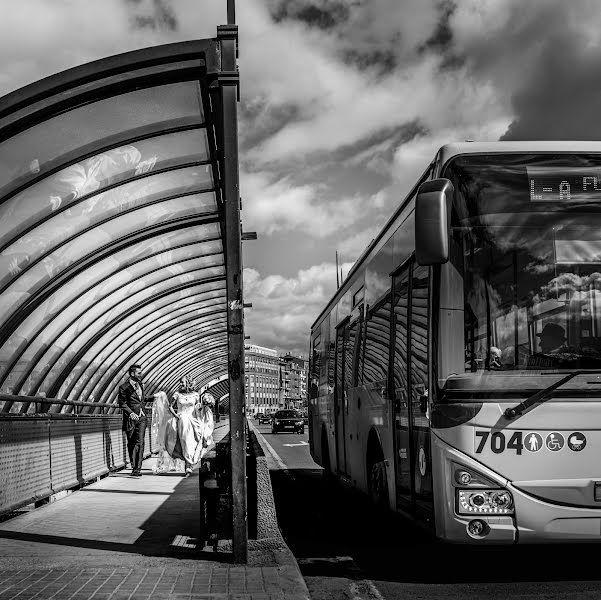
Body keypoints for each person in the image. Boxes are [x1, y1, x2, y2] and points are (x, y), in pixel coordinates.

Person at [162, 376, 215, 477]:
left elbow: (197, 408)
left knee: (192, 442)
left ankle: (189, 465)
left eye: (182, 382)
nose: (181, 384)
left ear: (189, 383)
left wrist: (205, 405)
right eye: (180, 383)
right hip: (181, 420)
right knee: (185, 441)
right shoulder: (177, 394)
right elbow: (170, 406)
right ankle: (188, 466)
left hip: (192, 421)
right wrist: (176, 415)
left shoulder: (195, 395)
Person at [118, 364, 147, 477]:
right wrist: (130, 413)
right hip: (131, 419)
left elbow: (141, 400)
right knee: (131, 443)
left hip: (142, 417)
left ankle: (137, 469)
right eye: (139, 373)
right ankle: (133, 465)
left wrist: (155, 397)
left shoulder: (141, 385)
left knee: (140, 442)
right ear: (132, 373)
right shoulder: (124, 387)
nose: (141, 374)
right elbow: (122, 403)